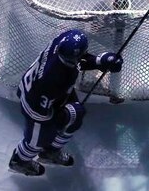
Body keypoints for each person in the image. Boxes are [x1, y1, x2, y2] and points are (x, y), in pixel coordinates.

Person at [8, 29, 123, 176]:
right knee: (39, 139)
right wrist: (62, 117)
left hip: (55, 92)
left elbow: (78, 60)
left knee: (76, 117)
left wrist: (100, 61)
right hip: (35, 104)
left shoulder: (65, 40)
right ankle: (19, 161)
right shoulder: (51, 80)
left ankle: (50, 152)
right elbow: (40, 111)